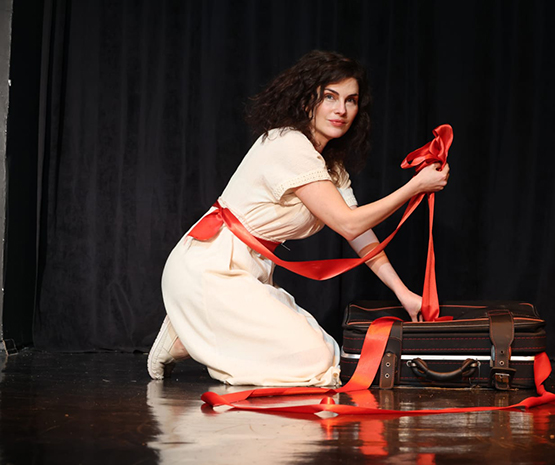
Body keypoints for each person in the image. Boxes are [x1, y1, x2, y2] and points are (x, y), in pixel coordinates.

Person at [148, 50, 450, 386]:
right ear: (307, 101)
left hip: (248, 271)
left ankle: (187, 335)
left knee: (329, 354)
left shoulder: (330, 166)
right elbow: (348, 223)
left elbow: (358, 233)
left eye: (351, 100)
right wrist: (414, 187)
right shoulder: (289, 145)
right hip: (209, 268)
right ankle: (191, 333)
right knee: (317, 363)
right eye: (330, 97)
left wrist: (403, 292)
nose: (341, 109)